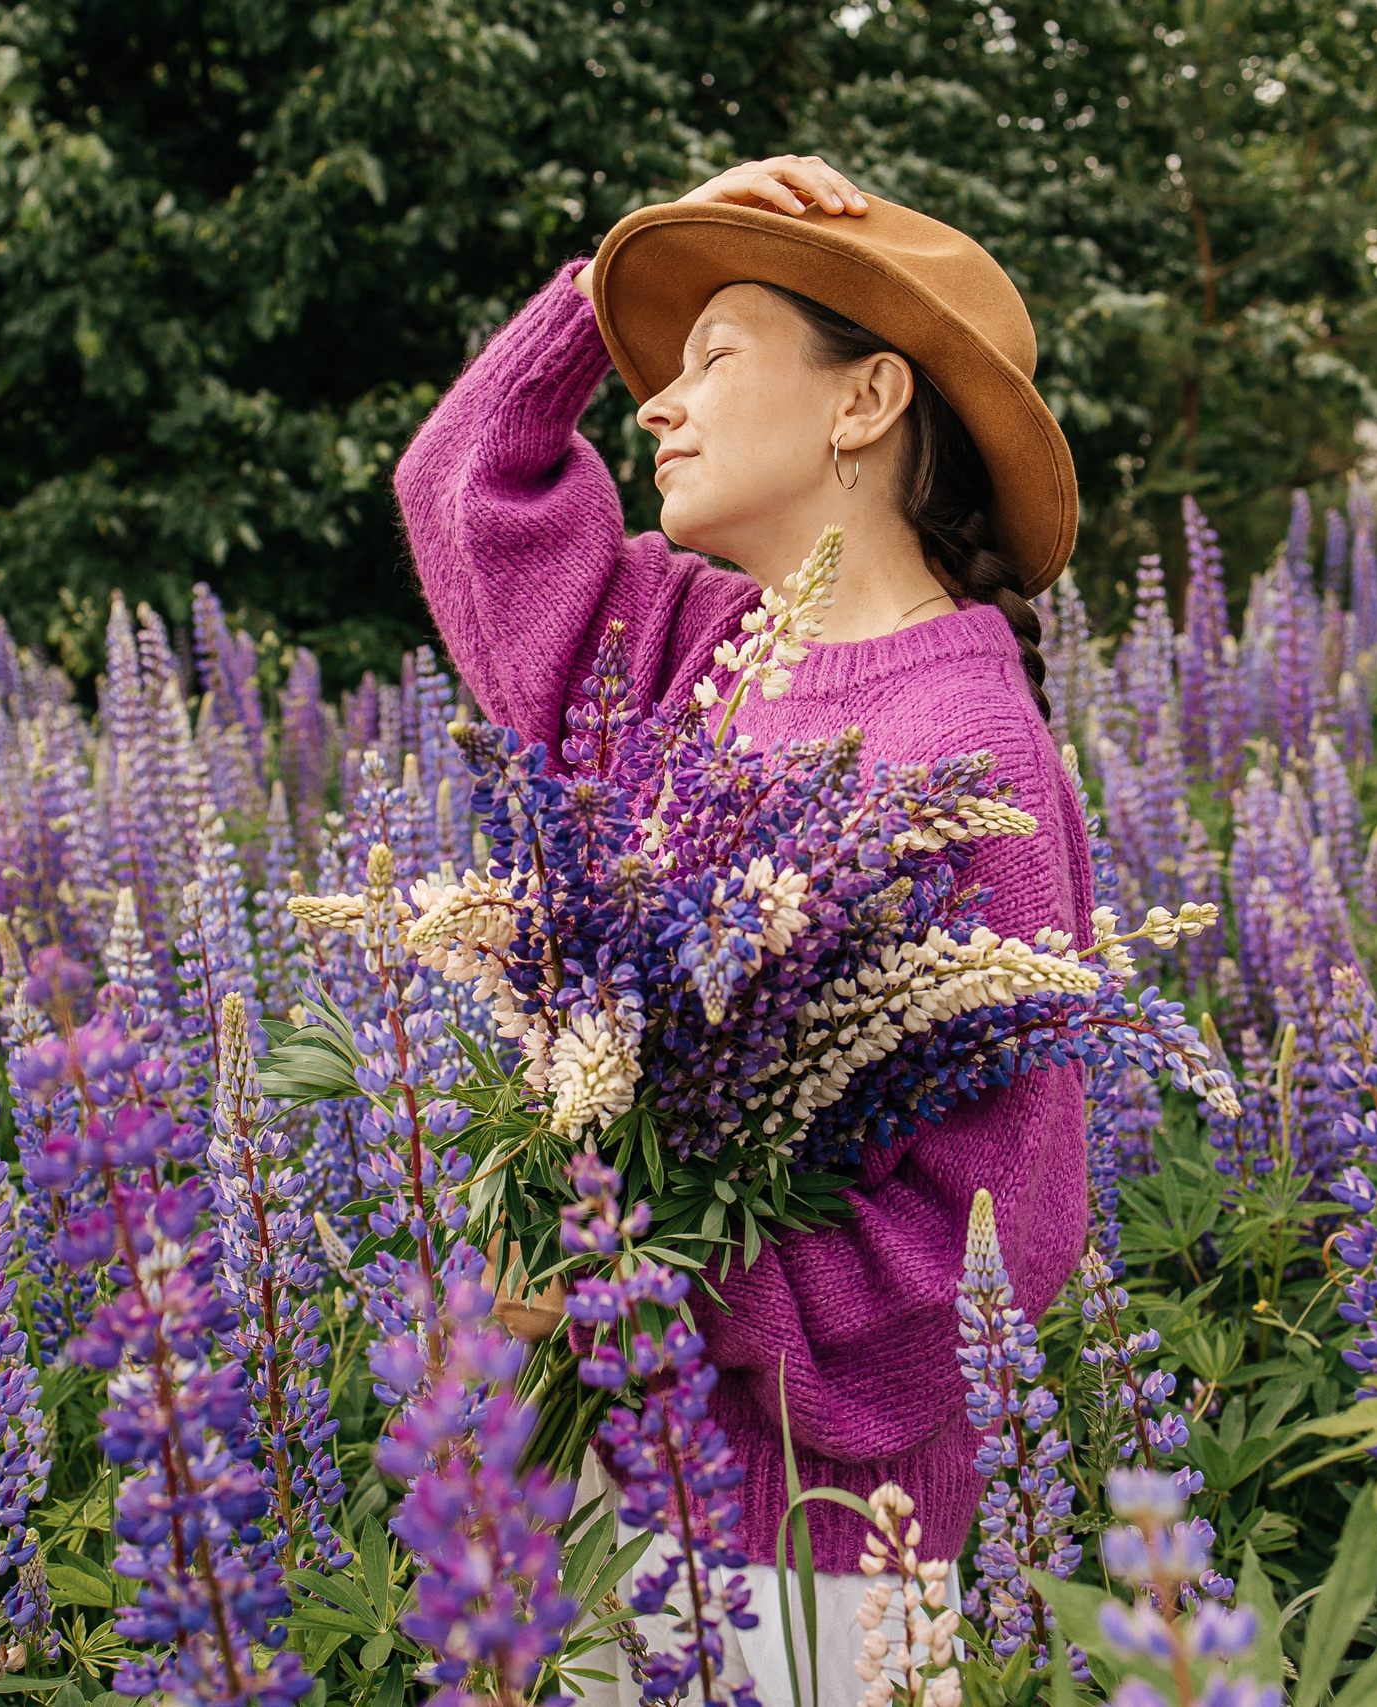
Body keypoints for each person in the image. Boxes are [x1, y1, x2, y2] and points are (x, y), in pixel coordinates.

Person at [391, 156, 1093, 1704]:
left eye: (712, 359)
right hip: (611, 1503)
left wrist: (662, 1291)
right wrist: (599, 288)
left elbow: (991, 1233)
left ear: (868, 402)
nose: (654, 404)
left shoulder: (959, 753)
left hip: (814, 1566)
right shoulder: (696, 652)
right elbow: (460, 489)